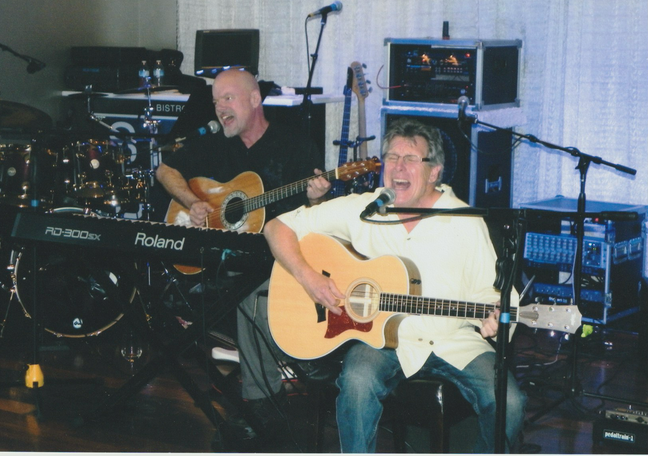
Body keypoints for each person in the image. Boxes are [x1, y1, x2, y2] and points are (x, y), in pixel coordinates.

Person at [263, 117, 527, 452]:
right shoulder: (365, 208)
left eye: (411, 159)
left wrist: (495, 315)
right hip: (383, 340)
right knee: (357, 382)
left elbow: (491, 290)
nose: (398, 167)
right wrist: (308, 277)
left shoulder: (465, 220)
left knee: (510, 402)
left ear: (435, 172)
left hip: (452, 339)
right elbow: (277, 227)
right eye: (391, 157)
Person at [155, 68, 332, 437]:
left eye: (228, 99)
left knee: (251, 294)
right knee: (243, 291)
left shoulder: (296, 146)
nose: (220, 109)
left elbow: (317, 224)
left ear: (254, 100)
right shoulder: (214, 143)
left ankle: (266, 401)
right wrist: (193, 201)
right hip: (216, 259)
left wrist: (317, 198)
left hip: (277, 260)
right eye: (217, 101)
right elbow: (165, 170)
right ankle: (277, 387)